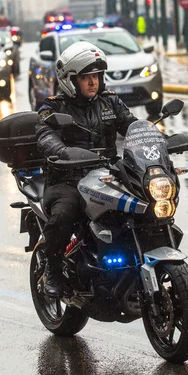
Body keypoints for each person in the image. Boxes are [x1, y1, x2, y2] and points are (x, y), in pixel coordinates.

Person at [35, 42, 138, 297]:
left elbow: (132, 125)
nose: (92, 82)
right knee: (65, 214)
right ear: (70, 80)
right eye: (85, 77)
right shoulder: (53, 107)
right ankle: (52, 268)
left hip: (109, 175)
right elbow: (45, 135)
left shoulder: (110, 102)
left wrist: (156, 137)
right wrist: (63, 152)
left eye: (96, 76)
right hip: (67, 178)